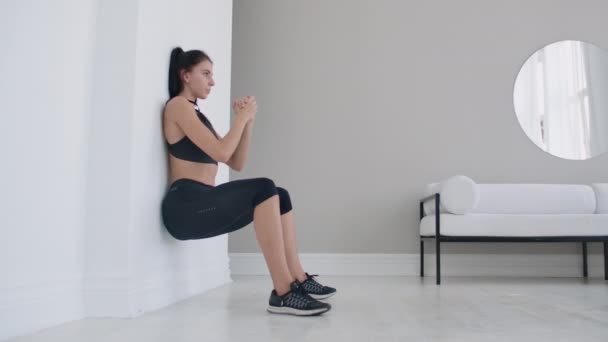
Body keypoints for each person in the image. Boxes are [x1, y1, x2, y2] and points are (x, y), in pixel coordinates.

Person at [161, 47, 336, 316]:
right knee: (265, 187)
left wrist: (247, 122)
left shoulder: (197, 115)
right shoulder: (177, 106)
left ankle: (298, 278)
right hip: (185, 207)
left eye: (212, 75)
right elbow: (221, 152)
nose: (212, 81)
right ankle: (283, 292)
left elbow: (236, 162)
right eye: (205, 74)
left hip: (203, 202)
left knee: (280, 194)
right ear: (185, 75)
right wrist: (241, 118)